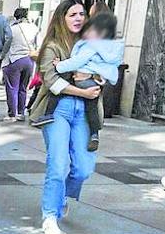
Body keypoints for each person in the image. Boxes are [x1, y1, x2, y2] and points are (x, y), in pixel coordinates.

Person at [27, 0, 104, 234]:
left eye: (81, 14)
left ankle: (61, 195)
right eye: (72, 14)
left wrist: (95, 77)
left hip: (85, 111)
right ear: (62, 18)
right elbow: (52, 82)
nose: (78, 18)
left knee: (83, 168)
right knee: (58, 165)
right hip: (57, 110)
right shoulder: (52, 46)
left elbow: (105, 73)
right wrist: (81, 88)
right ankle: (50, 215)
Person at [43, 13, 123, 152]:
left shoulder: (90, 45)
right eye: (73, 15)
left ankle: (48, 115)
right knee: (91, 108)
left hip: (84, 83)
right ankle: (94, 134)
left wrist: (60, 65)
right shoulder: (108, 47)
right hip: (90, 84)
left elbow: (76, 62)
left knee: (58, 93)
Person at [2, 8, 39, 121]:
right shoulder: (34, 28)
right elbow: (39, 44)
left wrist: (2, 57)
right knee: (23, 88)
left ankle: (12, 114)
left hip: (14, 60)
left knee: (12, 88)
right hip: (29, 60)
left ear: (15, 17)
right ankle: (21, 113)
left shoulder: (12, 29)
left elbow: (6, 44)